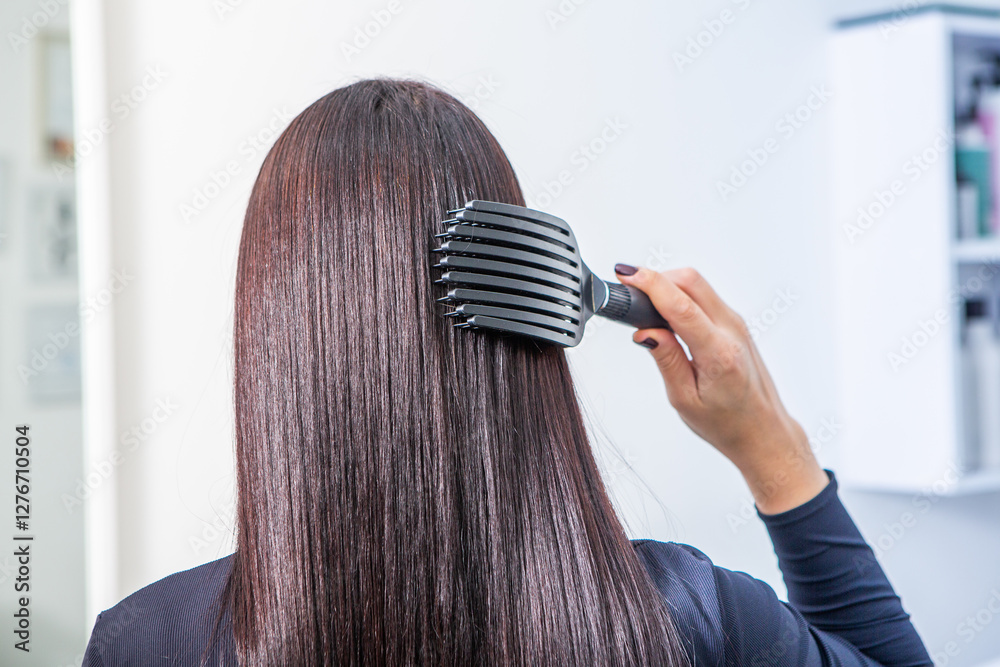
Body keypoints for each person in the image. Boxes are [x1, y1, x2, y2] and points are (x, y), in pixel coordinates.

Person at [81, 78, 932, 666]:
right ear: (526, 347)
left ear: (273, 336)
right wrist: (775, 453)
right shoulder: (688, 617)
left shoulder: (147, 641)